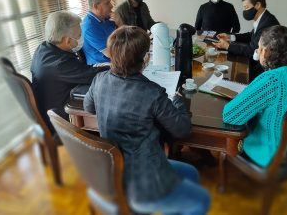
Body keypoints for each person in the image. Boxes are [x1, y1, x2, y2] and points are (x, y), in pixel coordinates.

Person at [84, 26, 210, 214]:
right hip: (144, 183)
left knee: (191, 172)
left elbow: (88, 107)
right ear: (145, 59)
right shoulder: (152, 92)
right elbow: (182, 129)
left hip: (114, 171)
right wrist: (177, 100)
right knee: (201, 200)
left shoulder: (99, 79)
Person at [222, 25, 287, 168]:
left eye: (259, 48)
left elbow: (230, 114)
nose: (257, 52)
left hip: (270, 154)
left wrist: (248, 93)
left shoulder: (272, 80)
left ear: (266, 51)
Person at [31, 11, 106, 133]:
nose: (81, 38)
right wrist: (118, 65)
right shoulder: (60, 64)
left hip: (51, 112)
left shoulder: (43, 48)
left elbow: (78, 70)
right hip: (63, 123)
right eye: (79, 35)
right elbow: (94, 75)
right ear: (67, 40)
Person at [214, 0, 279, 79]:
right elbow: (251, 35)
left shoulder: (267, 23)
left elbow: (252, 50)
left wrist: (228, 46)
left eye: (246, 7)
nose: (244, 11)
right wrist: (230, 37)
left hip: (262, 69)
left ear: (257, 5)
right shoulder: (263, 18)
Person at [81, 0, 116, 64]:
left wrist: (120, 21)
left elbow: (126, 37)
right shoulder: (90, 27)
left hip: (117, 62)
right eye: (107, 3)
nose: (111, 6)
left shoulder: (107, 17)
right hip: (102, 68)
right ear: (96, 6)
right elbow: (112, 54)